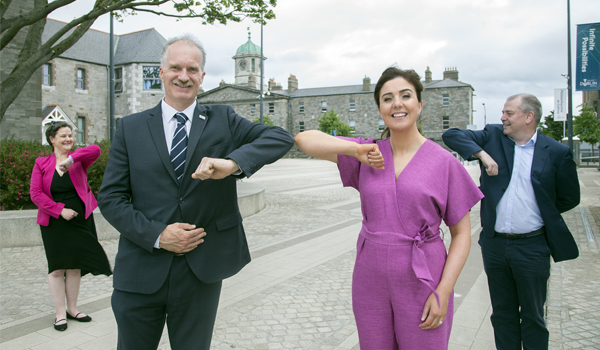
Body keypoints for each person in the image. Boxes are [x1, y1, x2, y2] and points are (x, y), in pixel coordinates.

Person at [97, 34, 293, 350]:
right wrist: (159, 235)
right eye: (175, 67)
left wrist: (232, 163)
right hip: (141, 269)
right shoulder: (130, 128)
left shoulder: (223, 119)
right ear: (161, 73)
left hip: (200, 271)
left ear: (203, 77)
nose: (183, 76)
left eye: (192, 69)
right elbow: (110, 198)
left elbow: (280, 138)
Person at [294, 67, 483, 349]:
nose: (397, 103)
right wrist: (353, 150)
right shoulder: (367, 153)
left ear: (419, 104)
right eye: (387, 98)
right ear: (380, 108)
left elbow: (462, 235)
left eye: (405, 95)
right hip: (370, 276)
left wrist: (443, 291)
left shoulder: (444, 163)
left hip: (423, 276)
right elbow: (303, 140)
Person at [442, 93, 580, 350]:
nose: (502, 117)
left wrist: (539, 211)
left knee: (533, 316)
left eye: (509, 113)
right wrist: (482, 155)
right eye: (503, 113)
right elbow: (451, 135)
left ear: (529, 117)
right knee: (502, 314)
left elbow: (570, 198)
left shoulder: (556, 152)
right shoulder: (493, 136)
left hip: (533, 247)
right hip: (495, 247)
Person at [30, 121, 112, 331]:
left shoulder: (78, 160)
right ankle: (60, 314)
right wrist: (59, 210)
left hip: (80, 218)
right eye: (62, 136)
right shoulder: (41, 163)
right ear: (51, 139)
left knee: (75, 267)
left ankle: (73, 309)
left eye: (70, 135)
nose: (68, 139)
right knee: (57, 268)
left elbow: (96, 150)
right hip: (54, 221)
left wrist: (71, 159)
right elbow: (36, 194)